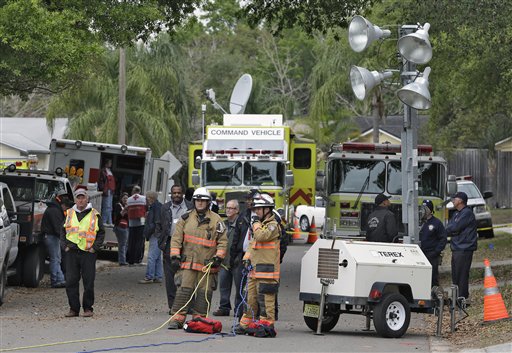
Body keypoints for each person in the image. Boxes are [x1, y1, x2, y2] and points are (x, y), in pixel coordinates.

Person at [167, 187, 228, 329]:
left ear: (208, 203)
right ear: (194, 201)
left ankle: (199, 321)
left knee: (203, 294)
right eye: (197, 200)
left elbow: (223, 242)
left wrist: (218, 258)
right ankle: (177, 319)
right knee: (184, 291)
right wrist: (175, 256)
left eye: (203, 200)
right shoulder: (185, 218)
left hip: (208, 266)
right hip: (188, 264)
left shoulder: (216, 220)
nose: (200, 203)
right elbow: (176, 239)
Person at [235, 194, 280, 336]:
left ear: (268, 209)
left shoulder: (273, 226)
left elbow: (261, 236)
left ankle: (266, 325)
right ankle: (245, 324)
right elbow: (252, 244)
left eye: (259, 209)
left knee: (266, 299)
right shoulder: (260, 225)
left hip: (267, 271)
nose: (256, 212)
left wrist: (255, 224)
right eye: (256, 209)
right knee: (250, 297)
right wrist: (246, 258)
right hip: (254, 270)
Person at [61, 188, 104, 317]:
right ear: (75, 199)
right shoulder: (69, 213)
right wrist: (64, 246)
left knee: (89, 281)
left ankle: (88, 308)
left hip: (88, 252)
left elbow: (101, 232)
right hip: (72, 252)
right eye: (78, 198)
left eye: (83, 197)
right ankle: (74, 309)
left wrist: (95, 248)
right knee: (70, 281)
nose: (80, 200)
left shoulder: (94, 214)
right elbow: (62, 232)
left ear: (87, 199)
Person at [156, 185, 193, 313]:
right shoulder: (165, 208)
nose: (176, 195)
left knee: (187, 276)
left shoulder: (190, 207)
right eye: (174, 193)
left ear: (182, 193)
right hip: (169, 244)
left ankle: (188, 305)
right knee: (170, 277)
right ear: (171, 194)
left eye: (179, 193)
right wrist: (161, 242)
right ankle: (173, 306)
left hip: (186, 244)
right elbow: (159, 225)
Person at [446, 191, 477, 301]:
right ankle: (456, 297)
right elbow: (450, 227)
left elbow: (454, 228)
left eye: (455, 199)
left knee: (462, 274)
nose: (453, 201)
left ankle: (462, 297)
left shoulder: (467, 213)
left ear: (461, 201)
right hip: (456, 248)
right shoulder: (456, 213)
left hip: (464, 248)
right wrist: (453, 230)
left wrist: (453, 230)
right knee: (455, 274)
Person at [213, 199, 240, 317]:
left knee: (239, 286)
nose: (228, 210)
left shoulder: (241, 224)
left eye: (231, 208)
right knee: (223, 286)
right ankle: (224, 307)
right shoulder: (222, 224)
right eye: (227, 208)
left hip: (237, 261)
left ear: (237, 210)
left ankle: (239, 309)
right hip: (224, 260)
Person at [41, 191, 68, 288]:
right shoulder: (55, 211)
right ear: (63, 205)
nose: (66, 209)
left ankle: (59, 279)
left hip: (52, 236)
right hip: (52, 237)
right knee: (55, 259)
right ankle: (56, 280)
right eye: (66, 207)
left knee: (56, 259)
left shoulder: (53, 209)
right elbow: (57, 228)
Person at [419, 199, 447, 287]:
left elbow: (443, 239)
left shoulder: (437, 223)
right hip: (419, 254)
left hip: (432, 255)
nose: (423, 210)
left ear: (430, 210)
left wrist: (436, 252)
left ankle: (435, 294)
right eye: (422, 208)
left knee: (432, 277)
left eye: (425, 208)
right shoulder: (418, 222)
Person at [139, 191, 163, 283]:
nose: (146, 200)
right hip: (159, 234)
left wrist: (147, 233)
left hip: (155, 234)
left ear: (150, 198)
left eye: (146, 198)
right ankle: (158, 276)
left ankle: (149, 276)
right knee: (157, 256)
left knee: (151, 256)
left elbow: (154, 223)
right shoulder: (159, 206)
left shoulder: (154, 207)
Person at [126, 186, 146, 266]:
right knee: (139, 241)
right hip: (141, 221)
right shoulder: (143, 198)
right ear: (140, 191)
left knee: (131, 241)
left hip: (131, 223)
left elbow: (127, 209)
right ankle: (137, 259)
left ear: (133, 191)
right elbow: (146, 209)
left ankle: (130, 259)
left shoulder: (129, 199)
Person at [113, 192, 129, 266]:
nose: (125, 200)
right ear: (121, 199)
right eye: (124, 198)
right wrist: (124, 210)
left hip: (127, 227)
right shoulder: (118, 205)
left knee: (125, 244)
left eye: (127, 198)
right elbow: (118, 216)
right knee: (122, 244)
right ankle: (122, 261)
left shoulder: (129, 206)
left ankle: (123, 259)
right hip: (120, 227)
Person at [98, 159, 116, 225]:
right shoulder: (103, 171)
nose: (110, 164)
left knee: (110, 207)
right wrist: (103, 189)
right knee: (106, 206)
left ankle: (109, 221)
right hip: (107, 189)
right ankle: (104, 221)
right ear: (106, 164)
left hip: (110, 190)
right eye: (109, 162)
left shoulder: (109, 171)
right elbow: (101, 181)